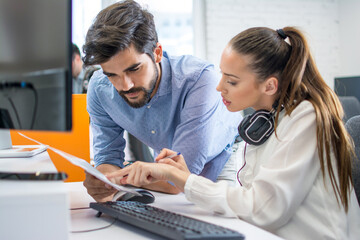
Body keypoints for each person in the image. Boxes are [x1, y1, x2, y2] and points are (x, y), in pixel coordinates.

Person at [107, 27, 360, 239]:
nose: (219, 87)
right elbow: (248, 199)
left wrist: (181, 179)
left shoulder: (306, 119)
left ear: (270, 85)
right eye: (222, 75)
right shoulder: (264, 121)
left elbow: (263, 209)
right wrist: (185, 177)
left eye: (232, 80)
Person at [82, 0, 240, 201]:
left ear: (156, 53)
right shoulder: (99, 88)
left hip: (222, 167)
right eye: (112, 74)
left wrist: (121, 177)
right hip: (159, 175)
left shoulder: (199, 80)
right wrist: (103, 180)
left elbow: (178, 179)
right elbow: (107, 157)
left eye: (134, 69)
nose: (125, 85)